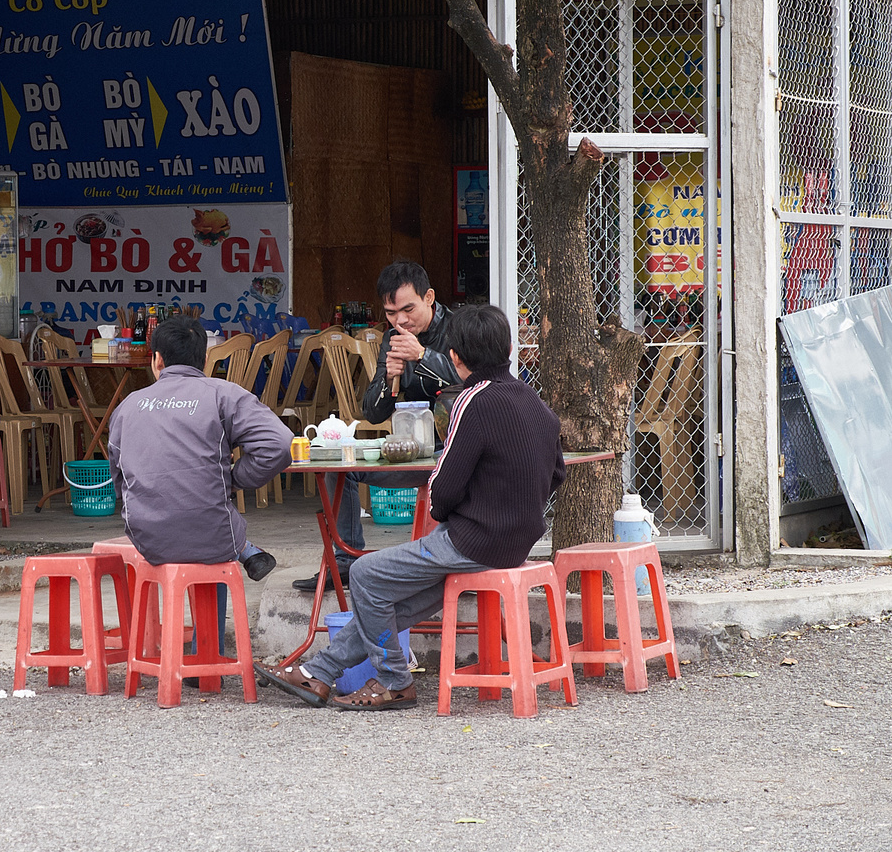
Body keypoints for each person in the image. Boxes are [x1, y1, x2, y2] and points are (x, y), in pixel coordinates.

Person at [256, 303, 565, 711]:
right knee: (395, 604)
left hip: (472, 541)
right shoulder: (534, 402)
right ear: (509, 347)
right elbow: (557, 474)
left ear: (454, 358)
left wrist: (451, 511)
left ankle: (395, 681)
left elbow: (442, 492)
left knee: (365, 574)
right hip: (518, 541)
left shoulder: (471, 402)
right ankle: (319, 673)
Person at [293, 260, 460, 593]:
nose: (400, 320)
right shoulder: (393, 338)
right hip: (412, 452)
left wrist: (424, 356)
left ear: (429, 297)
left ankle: (456, 561)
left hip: (455, 456)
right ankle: (345, 562)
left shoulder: (461, 328)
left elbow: (481, 383)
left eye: (408, 309)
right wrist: (388, 376)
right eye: (390, 312)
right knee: (339, 464)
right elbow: (371, 411)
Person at [107, 314, 289, 583]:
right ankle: (241, 559)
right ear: (205, 360)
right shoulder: (223, 394)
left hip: (147, 539)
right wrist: (233, 480)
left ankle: (245, 552)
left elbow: (119, 477)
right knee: (216, 532)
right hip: (214, 537)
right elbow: (279, 445)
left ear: (157, 360)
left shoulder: (127, 407)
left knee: (208, 525)